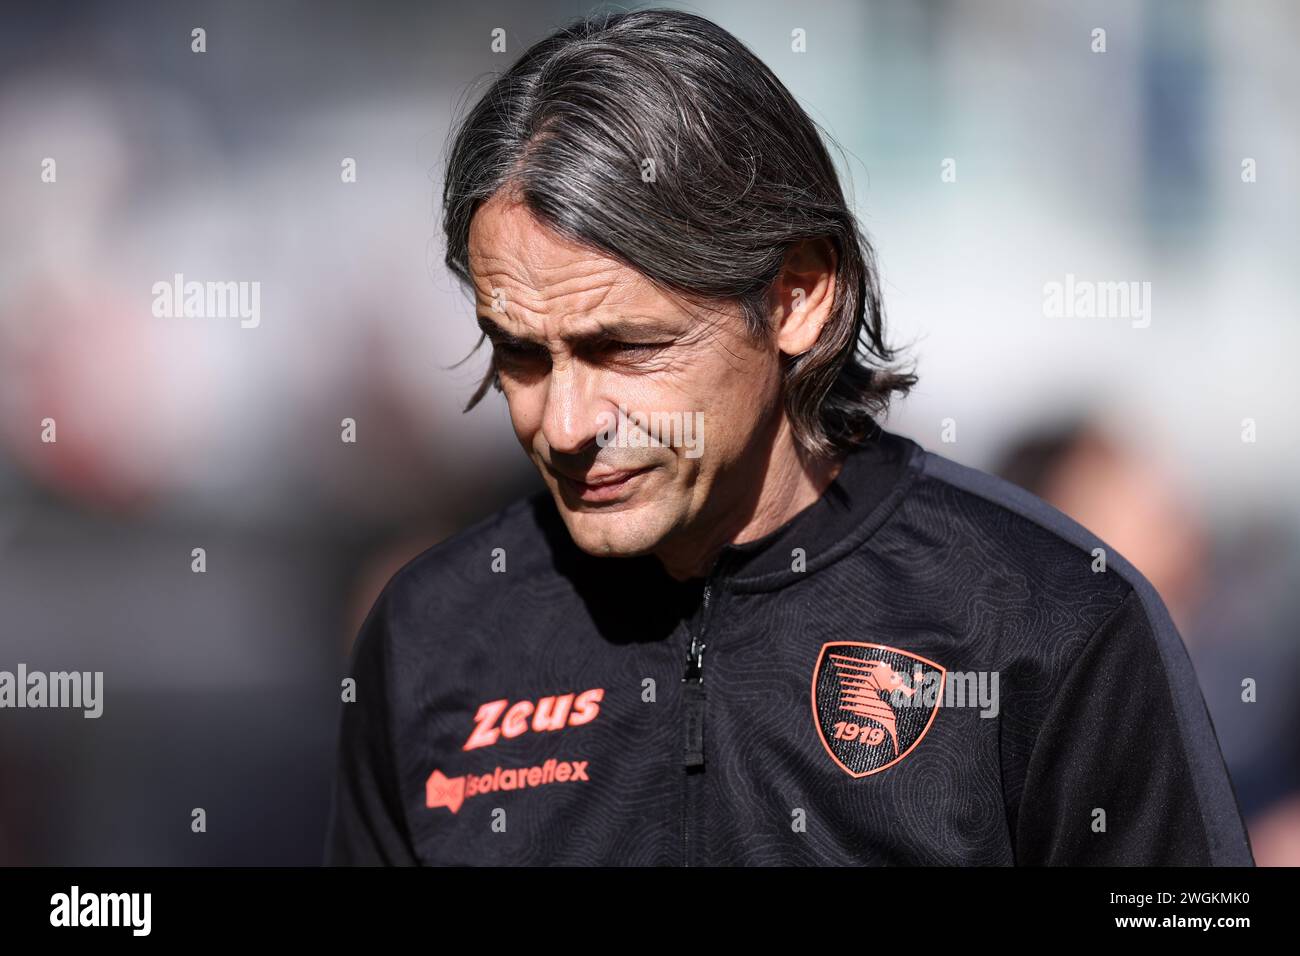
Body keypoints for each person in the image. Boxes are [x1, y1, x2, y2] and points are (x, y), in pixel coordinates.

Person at [323, 8, 1253, 866]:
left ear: (799, 295)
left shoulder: (1047, 623)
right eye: (522, 355)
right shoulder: (433, 635)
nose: (566, 424)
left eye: (626, 348)